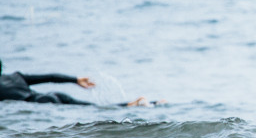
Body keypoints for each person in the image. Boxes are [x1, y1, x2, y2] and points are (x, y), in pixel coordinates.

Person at [0, 59, 148, 106]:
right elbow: (50, 76)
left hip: (43, 101)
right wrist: (75, 80)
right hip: (55, 95)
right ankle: (135, 104)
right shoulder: (16, 75)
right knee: (94, 107)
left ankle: (133, 104)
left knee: (93, 108)